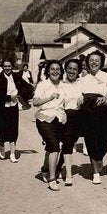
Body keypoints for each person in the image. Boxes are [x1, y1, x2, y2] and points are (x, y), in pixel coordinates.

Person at [78, 50, 107, 184]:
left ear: (101, 63)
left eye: (97, 61)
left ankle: (99, 158)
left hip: (104, 112)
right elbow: (79, 96)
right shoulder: (82, 79)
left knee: (104, 141)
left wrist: (102, 102)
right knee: (90, 140)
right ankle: (95, 172)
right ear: (87, 63)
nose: (94, 62)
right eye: (91, 60)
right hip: (88, 113)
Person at [0, 58, 33, 163]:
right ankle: (2, 149)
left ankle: (12, 154)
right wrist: (9, 98)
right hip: (2, 107)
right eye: (5, 66)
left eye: (9, 66)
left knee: (13, 129)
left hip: (13, 107)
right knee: (2, 129)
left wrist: (22, 95)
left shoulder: (16, 76)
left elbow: (27, 87)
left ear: (12, 67)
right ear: (2, 67)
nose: (7, 68)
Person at [32, 60, 66, 191]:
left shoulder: (63, 85)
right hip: (44, 119)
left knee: (51, 146)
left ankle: (45, 170)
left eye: (58, 69)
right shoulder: (43, 85)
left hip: (58, 119)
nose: (55, 71)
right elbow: (35, 102)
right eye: (52, 69)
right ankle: (52, 179)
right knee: (54, 147)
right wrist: (50, 98)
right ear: (48, 71)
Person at [53, 59, 84, 186]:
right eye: (70, 68)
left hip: (77, 117)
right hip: (63, 116)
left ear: (78, 71)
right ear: (65, 70)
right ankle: (66, 173)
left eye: (75, 69)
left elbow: (85, 96)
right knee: (66, 144)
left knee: (69, 144)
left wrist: (83, 97)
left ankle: (60, 169)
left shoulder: (82, 83)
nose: (72, 71)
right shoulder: (60, 84)